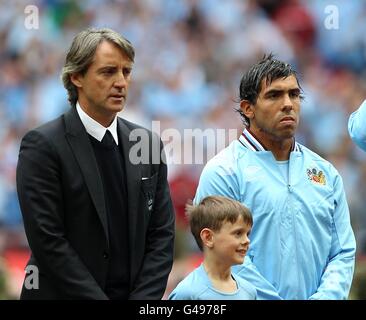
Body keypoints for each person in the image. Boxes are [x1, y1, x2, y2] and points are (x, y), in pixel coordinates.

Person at [16, 28, 175, 300]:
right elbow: (48, 242)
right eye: (108, 71)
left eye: (126, 72)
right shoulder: (42, 145)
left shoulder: (147, 144)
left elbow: (161, 236)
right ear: (76, 76)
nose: (121, 82)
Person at [194, 54, 356, 300]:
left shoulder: (325, 173)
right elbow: (223, 256)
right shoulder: (223, 172)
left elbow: (342, 252)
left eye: (294, 94)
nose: (288, 103)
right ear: (248, 109)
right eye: (274, 95)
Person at [169, 195, 256, 300]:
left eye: (247, 234)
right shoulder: (187, 293)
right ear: (208, 237)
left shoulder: (249, 291)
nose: (247, 240)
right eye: (238, 233)